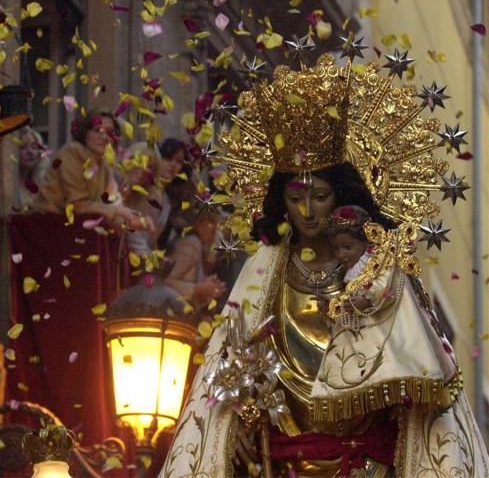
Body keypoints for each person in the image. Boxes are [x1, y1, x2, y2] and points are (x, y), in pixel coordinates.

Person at [159, 53, 489, 477]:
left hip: (364, 465)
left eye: (320, 196)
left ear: (343, 195)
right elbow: (232, 361)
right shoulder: (264, 270)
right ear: (282, 201)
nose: (308, 211)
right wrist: (236, 421)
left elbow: (415, 374)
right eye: (296, 199)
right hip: (282, 461)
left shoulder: (378, 269)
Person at [32, 109, 150, 231]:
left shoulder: (104, 164)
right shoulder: (73, 151)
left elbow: (104, 207)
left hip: (73, 226)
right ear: (85, 133)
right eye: (97, 130)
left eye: (110, 132)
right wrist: (118, 211)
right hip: (46, 224)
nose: (104, 137)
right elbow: (76, 205)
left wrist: (134, 221)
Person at [165, 211, 226, 309]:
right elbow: (166, 281)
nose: (215, 235)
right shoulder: (191, 243)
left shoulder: (197, 244)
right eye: (212, 227)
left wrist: (207, 284)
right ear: (199, 225)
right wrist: (199, 288)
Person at [15, 125, 49, 210]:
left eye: (34, 147)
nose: (30, 152)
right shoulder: (5, 186)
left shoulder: (43, 181)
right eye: (22, 147)